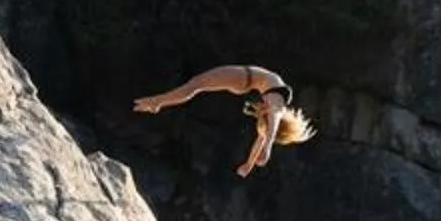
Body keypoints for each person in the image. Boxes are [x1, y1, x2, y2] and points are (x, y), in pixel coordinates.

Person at [132, 64, 315, 176]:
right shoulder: (277, 104)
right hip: (243, 82)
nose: (259, 113)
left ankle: (158, 102)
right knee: (196, 86)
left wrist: (259, 154)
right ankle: (159, 102)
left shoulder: (277, 106)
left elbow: (264, 135)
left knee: (196, 84)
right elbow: (268, 129)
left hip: (244, 77)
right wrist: (250, 163)